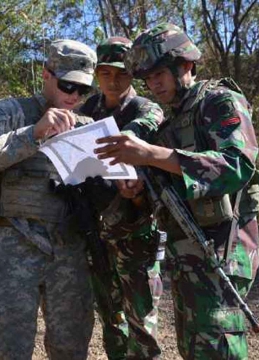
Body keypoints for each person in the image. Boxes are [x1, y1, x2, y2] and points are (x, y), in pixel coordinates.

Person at [95, 23, 259, 359]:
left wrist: (150, 154)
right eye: (148, 78)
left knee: (218, 348)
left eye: (160, 74)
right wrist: (137, 188)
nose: (153, 84)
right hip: (185, 255)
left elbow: (236, 166)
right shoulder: (170, 121)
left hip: (223, 251)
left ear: (185, 66)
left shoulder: (218, 101)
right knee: (194, 348)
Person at [0, 39, 97, 359]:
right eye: (67, 85)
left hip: (69, 251)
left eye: (82, 90)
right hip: (12, 247)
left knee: (71, 348)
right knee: (3, 349)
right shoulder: (7, 114)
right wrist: (31, 135)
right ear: (46, 74)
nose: (74, 96)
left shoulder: (89, 129)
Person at [78, 36, 164, 360]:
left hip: (137, 231)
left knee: (141, 322)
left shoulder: (145, 109)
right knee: (111, 320)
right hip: (98, 233)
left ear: (133, 75)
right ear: (96, 75)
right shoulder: (87, 109)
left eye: (122, 74)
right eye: (106, 73)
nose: (113, 81)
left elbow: (149, 128)